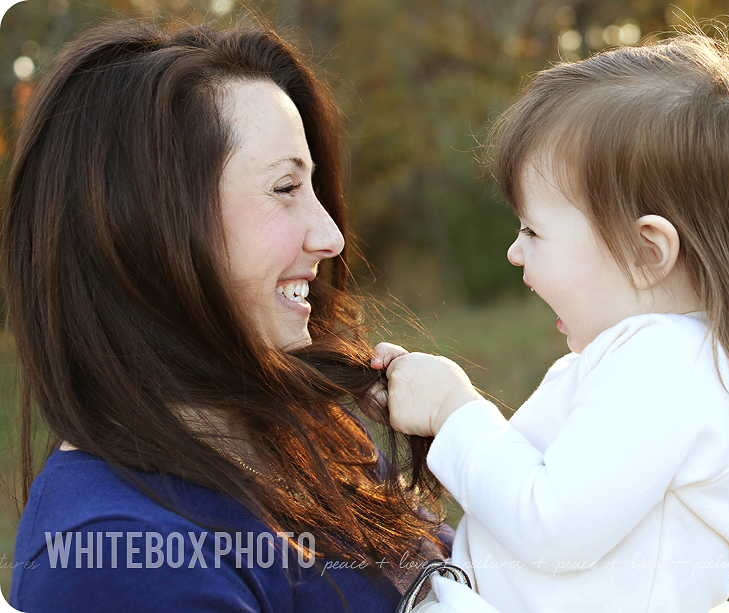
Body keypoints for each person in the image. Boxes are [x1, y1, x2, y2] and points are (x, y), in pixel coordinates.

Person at [374, 33, 729, 613]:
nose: (514, 252)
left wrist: (455, 410)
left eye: (533, 231)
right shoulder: (659, 359)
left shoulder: (665, 366)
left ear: (646, 251)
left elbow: (551, 527)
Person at [5, 20, 448, 612]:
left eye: (312, 186)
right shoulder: (122, 562)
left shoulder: (309, 436)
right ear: (146, 230)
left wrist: (477, 447)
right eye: (286, 187)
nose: (332, 235)